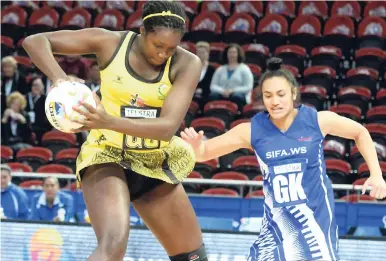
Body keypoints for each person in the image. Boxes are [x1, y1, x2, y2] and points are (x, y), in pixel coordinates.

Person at [22, 1, 206, 261]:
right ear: (142, 31)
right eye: (158, 45)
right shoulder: (109, 42)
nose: (163, 54)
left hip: (154, 161)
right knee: (113, 245)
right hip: (106, 155)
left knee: (194, 257)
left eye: (171, 48)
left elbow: (166, 128)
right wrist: (60, 79)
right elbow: (35, 41)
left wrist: (107, 120)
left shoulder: (187, 64)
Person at [181, 58, 386, 261]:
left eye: (281, 94)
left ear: (294, 94)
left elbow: (360, 132)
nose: (275, 101)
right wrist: (197, 147)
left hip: (315, 224)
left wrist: (376, 174)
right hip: (275, 228)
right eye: (268, 96)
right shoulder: (252, 130)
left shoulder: (317, 120)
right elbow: (204, 152)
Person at [209, 43, 254, 110]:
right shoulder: (220, 69)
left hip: (238, 95)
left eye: (234, 52)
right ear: (226, 54)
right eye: (230, 52)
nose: (232, 55)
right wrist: (222, 91)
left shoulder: (245, 68)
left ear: (238, 54)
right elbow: (213, 86)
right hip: (222, 94)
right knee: (212, 96)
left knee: (236, 97)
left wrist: (233, 90)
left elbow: (248, 87)